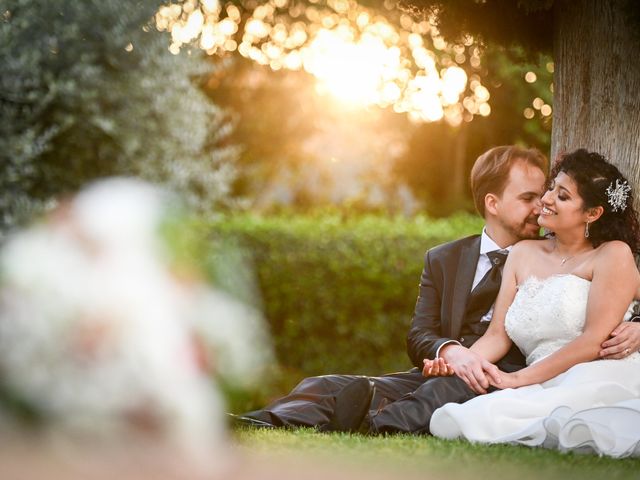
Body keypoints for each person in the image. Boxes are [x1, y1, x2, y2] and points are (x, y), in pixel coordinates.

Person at [235, 146, 640, 434]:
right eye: (534, 196)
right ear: (492, 203)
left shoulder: (610, 255)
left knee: (434, 391)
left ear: (592, 213)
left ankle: (367, 421)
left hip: (522, 373)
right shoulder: (469, 257)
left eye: (553, 194)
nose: (542, 205)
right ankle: (257, 420)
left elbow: (600, 323)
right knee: (328, 384)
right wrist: (453, 356)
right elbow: (442, 334)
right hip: (471, 366)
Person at [427, 149, 640, 457]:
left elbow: (593, 341)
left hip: (600, 370)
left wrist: (516, 379)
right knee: (482, 415)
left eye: (562, 196)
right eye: (551, 187)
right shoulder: (524, 252)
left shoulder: (612, 254)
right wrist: (458, 363)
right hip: (541, 378)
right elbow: (497, 336)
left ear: (592, 214)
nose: (547, 199)